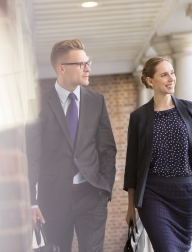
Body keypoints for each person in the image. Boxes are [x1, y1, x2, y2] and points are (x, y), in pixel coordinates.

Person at [26, 39, 117, 252]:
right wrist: (32, 202)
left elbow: (107, 149)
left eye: (88, 62)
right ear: (62, 68)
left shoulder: (97, 102)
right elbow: (32, 156)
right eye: (81, 64)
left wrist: (104, 189)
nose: (88, 68)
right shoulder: (36, 106)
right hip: (53, 198)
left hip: (91, 195)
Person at [124, 56, 192, 252]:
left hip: (186, 194)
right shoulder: (138, 117)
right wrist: (131, 205)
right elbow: (132, 164)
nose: (171, 78)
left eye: (172, 73)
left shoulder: (190, 109)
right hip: (153, 194)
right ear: (150, 81)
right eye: (164, 75)